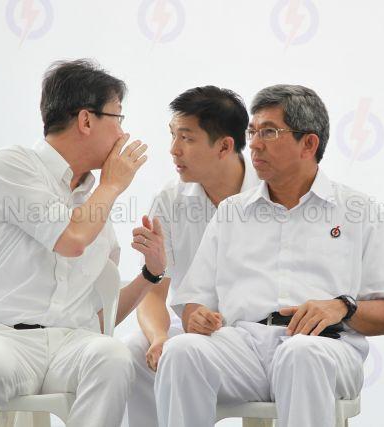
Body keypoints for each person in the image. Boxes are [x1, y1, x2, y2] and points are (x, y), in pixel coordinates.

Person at [154, 84, 384, 427]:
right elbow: (193, 302)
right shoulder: (232, 212)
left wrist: (342, 307)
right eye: (253, 131)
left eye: (270, 132)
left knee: (299, 353)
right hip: (244, 346)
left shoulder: (358, 211)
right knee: (181, 351)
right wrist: (197, 316)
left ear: (309, 143)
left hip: (326, 347)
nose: (255, 143)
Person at [0, 59, 166, 427]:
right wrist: (112, 185)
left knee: (113, 356)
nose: (123, 135)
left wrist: (150, 274)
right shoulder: (12, 165)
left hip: (72, 344)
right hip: (5, 338)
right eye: (118, 119)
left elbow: (101, 317)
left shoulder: (96, 203)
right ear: (86, 120)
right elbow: (71, 239)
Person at [123, 85, 259, 427]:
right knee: (134, 352)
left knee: (186, 354)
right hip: (187, 330)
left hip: (253, 335)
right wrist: (158, 337)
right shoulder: (170, 199)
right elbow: (154, 292)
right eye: (172, 136)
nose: (173, 150)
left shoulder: (271, 194)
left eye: (187, 138)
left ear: (225, 145)